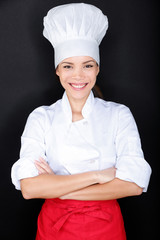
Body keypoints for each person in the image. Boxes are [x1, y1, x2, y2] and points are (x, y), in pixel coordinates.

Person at [11, 3, 151, 240]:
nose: (78, 76)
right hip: (55, 227)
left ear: (97, 68)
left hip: (105, 226)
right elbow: (29, 189)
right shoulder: (41, 117)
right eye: (68, 66)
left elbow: (133, 185)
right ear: (57, 70)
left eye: (87, 65)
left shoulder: (118, 115)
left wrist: (59, 187)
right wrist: (97, 177)